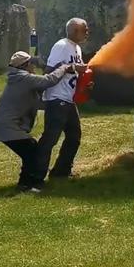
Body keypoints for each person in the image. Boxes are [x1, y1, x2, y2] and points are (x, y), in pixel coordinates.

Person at [0, 51, 82, 193]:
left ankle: (25, 183)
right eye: (31, 63)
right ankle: (27, 184)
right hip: (8, 127)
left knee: (31, 151)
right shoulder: (24, 78)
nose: (34, 65)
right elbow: (48, 80)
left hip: (5, 125)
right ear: (26, 65)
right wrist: (64, 67)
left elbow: (38, 103)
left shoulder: (19, 79)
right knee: (32, 151)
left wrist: (57, 104)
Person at [35, 17, 91, 183]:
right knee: (50, 139)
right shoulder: (62, 46)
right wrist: (72, 68)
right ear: (75, 31)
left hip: (69, 99)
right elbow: (49, 71)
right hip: (57, 98)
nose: (87, 32)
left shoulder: (77, 49)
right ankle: (35, 176)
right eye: (85, 29)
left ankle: (61, 171)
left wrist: (85, 84)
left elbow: (74, 74)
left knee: (74, 136)